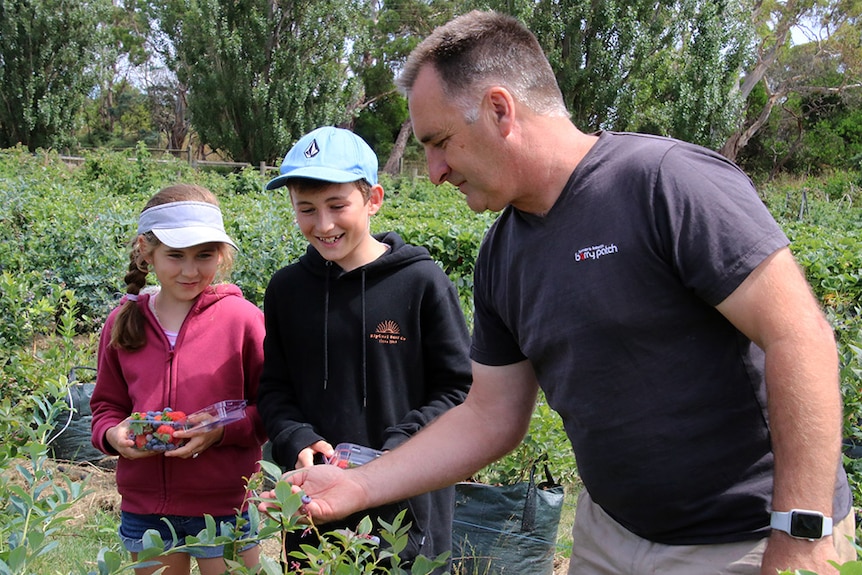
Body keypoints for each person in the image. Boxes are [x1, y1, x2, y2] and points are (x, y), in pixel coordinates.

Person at [258, 10, 856, 575]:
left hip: (746, 539)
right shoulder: (502, 253)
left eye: (439, 141)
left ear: (499, 110)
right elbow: (490, 416)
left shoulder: (665, 184)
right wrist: (361, 484)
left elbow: (798, 336)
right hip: (609, 533)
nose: (434, 170)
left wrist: (801, 530)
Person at [257, 126, 472, 572]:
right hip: (313, 498)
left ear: (373, 199)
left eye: (338, 206)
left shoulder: (421, 283)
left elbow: (460, 389)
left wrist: (402, 443)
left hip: (407, 498)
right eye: (306, 210)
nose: (324, 225)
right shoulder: (287, 290)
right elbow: (275, 390)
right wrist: (296, 438)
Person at [90, 184, 267, 575]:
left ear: (221, 256)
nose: (190, 270)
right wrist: (113, 435)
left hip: (224, 505)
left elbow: (270, 405)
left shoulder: (242, 321)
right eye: (175, 255)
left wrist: (220, 431)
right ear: (146, 251)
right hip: (147, 507)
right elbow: (105, 405)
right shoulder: (123, 323)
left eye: (204, 255)